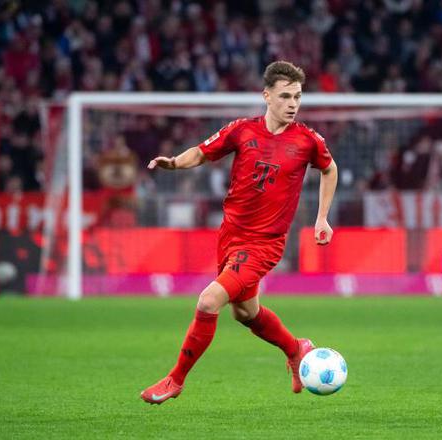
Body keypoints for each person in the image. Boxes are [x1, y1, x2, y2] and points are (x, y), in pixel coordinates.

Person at [141, 60, 338, 404]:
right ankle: (296, 349)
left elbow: (329, 169)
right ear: (267, 96)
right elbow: (201, 152)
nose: (293, 104)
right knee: (245, 313)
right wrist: (174, 163)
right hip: (230, 236)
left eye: (297, 97)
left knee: (209, 301)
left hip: (264, 244)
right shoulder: (242, 130)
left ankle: (175, 380)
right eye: (285, 96)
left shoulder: (308, 140)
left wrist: (322, 217)